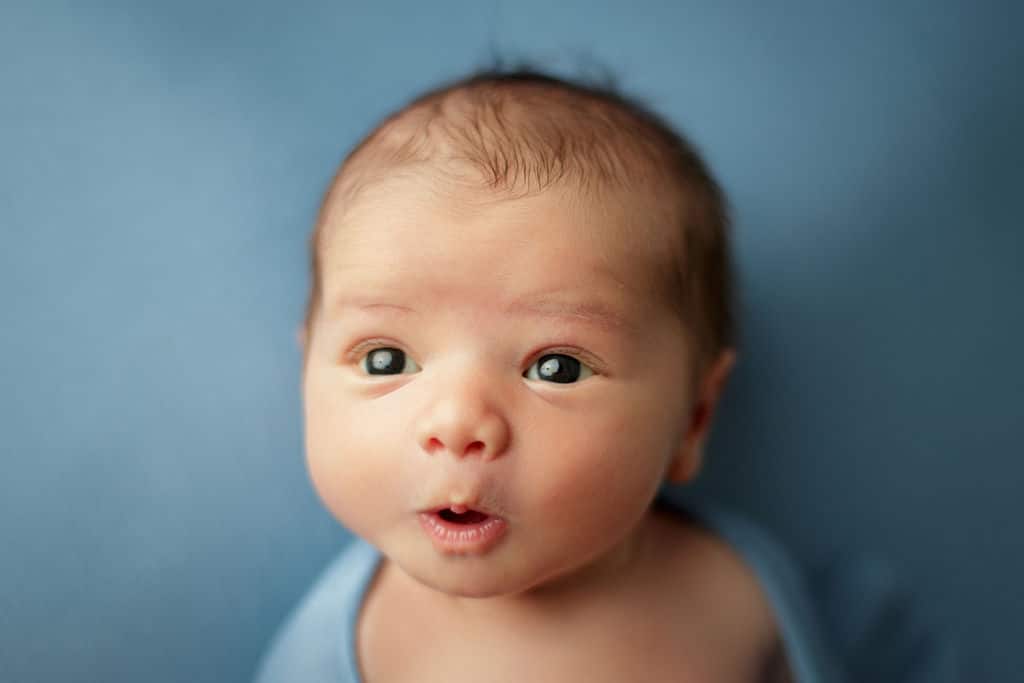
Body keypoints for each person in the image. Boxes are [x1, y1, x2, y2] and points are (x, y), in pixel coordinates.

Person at [256, 66, 844, 682]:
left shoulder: (736, 595)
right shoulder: (354, 651)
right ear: (307, 377)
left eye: (557, 368)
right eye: (386, 361)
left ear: (693, 418)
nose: (457, 424)